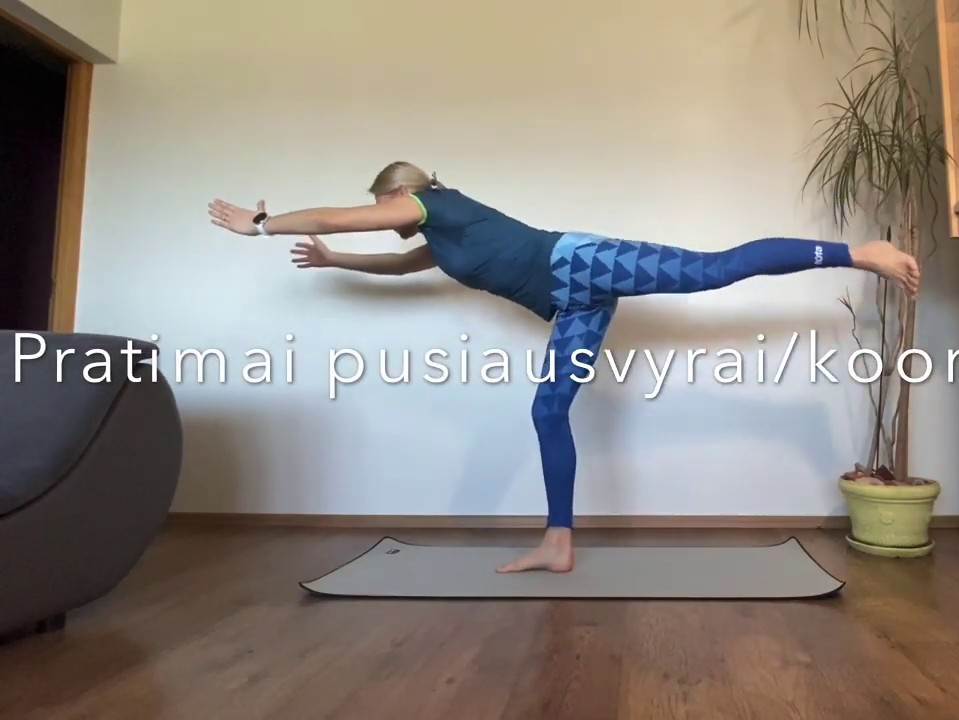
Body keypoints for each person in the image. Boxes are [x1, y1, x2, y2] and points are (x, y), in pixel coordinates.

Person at [208, 161, 921, 573]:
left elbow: (336, 215)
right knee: (548, 410)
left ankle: (858, 253)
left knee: (711, 270)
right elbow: (398, 266)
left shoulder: (432, 203)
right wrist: (335, 261)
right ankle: (558, 541)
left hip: (578, 262)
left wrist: (261, 226)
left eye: (383, 207)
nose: (384, 217)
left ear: (401, 193)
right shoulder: (442, 237)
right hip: (574, 301)